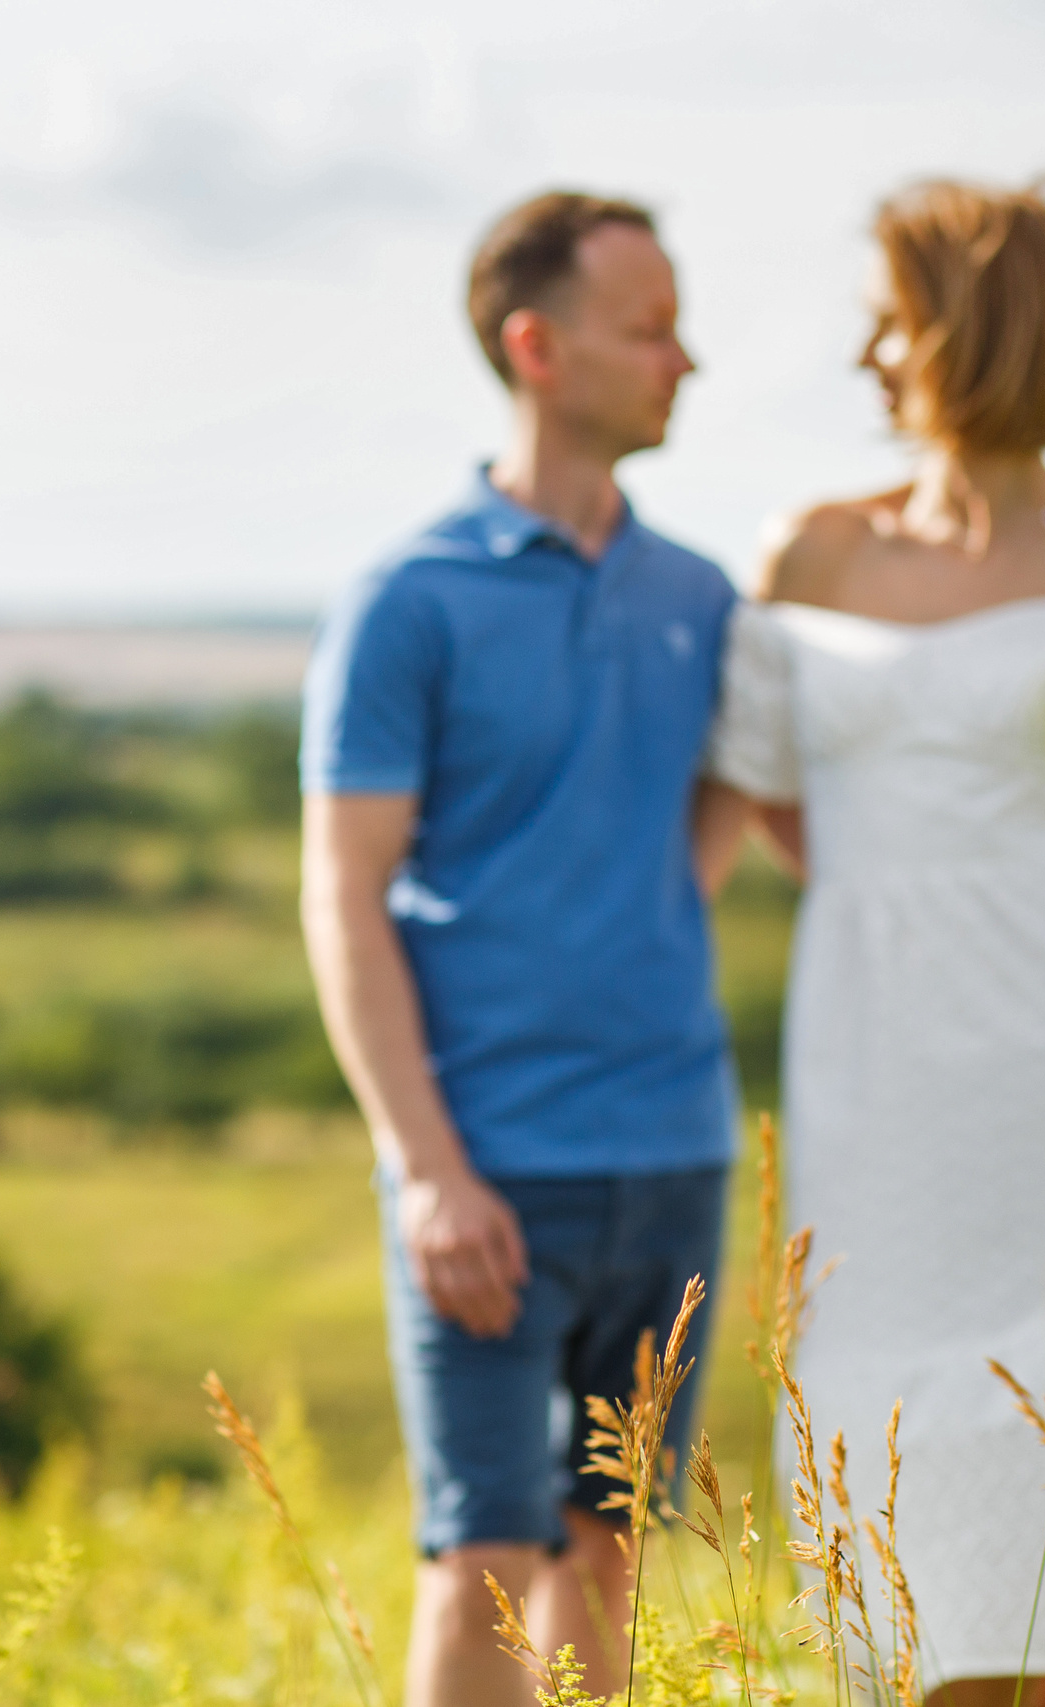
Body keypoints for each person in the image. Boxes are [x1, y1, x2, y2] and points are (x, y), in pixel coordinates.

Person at [703, 179, 1045, 1699]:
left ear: (962, 331)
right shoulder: (807, 553)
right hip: (882, 1072)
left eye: (891, 319)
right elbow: (744, 805)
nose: (869, 356)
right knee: (893, 1447)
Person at [300, 191, 743, 1704]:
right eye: (651, 327)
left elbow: (702, 837)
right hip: (484, 1163)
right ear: (537, 345)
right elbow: (342, 891)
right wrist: (426, 1166)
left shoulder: (700, 596)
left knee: (607, 1557)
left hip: (673, 1154)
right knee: (479, 1567)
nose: (685, 359)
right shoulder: (408, 600)